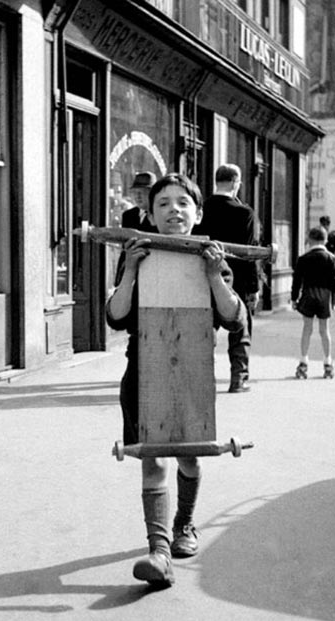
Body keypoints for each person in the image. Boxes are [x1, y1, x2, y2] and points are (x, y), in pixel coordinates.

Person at [106, 173, 247, 587]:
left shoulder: (211, 256)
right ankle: (159, 551)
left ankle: (184, 524)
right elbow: (115, 316)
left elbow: (233, 316)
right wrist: (130, 269)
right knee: (153, 459)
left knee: (189, 454)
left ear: (199, 213)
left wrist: (214, 275)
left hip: (192, 372)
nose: (174, 210)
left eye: (183, 202)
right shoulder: (138, 253)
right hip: (144, 372)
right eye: (163, 203)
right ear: (149, 214)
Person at [196, 163, 259, 393]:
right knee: (240, 329)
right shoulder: (245, 213)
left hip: (204, 279)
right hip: (238, 282)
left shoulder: (200, 208)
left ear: (216, 181)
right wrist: (254, 287)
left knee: (206, 330)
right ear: (236, 182)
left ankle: (202, 378)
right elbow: (249, 252)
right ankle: (238, 379)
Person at [291, 226, 335, 379]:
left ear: (310, 239)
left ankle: (303, 362)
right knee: (324, 330)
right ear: (325, 240)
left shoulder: (303, 259)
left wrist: (294, 298)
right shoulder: (332, 258)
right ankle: (328, 363)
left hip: (308, 294)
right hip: (325, 296)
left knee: (307, 329)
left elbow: (297, 281)